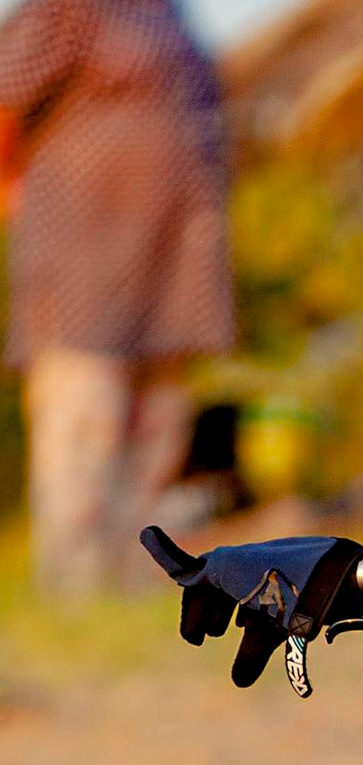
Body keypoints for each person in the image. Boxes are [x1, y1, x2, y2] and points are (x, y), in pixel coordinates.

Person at [0, 0, 233, 595]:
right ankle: (74, 585)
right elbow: (6, 93)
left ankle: (144, 580)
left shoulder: (167, 12)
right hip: (85, 251)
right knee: (82, 411)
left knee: (158, 419)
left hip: (171, 261)